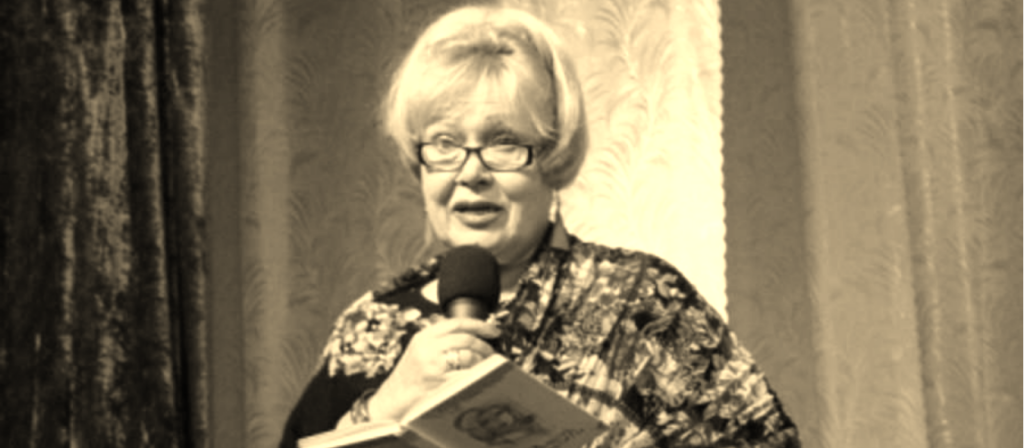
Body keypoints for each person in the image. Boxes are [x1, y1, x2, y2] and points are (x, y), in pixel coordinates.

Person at [279, 5, 800, 448]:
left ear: (552, 155)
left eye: (503, 142)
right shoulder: (369, 325)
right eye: (444, 143)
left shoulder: (644, 302)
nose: (470, 172)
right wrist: (385, 404)